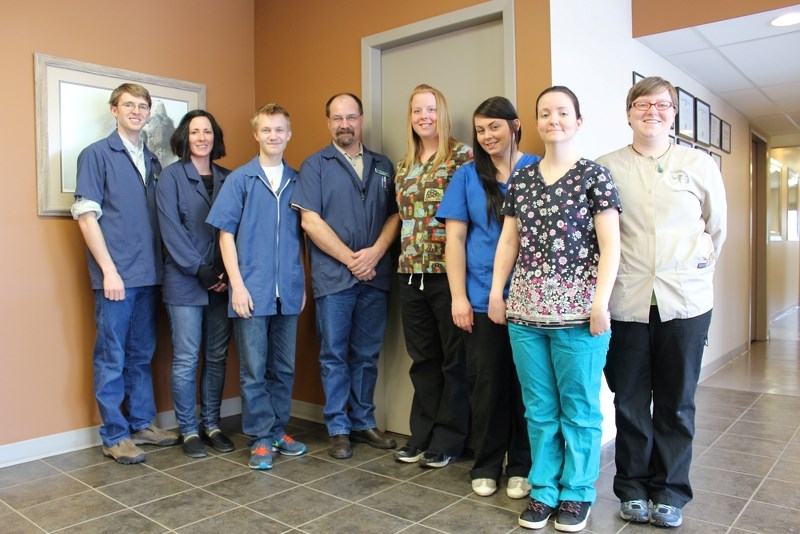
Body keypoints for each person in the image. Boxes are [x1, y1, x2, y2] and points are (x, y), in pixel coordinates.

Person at [488, 86, 621, 532]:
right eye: (545, 113)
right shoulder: (522, 180)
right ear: (535, 123)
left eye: (563, 113)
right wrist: (496, 292)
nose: (554, 120)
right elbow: (509, 240)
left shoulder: (594, 176)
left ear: (577, 122)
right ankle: (544, 489)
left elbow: (610, 246)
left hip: (580, 316)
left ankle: (577, 492)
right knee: (539, 407)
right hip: (526, 314)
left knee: (580, 408)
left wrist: (601, 302)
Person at [597, 76, 727, 528]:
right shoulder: (605, 166)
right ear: (628, 111)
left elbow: (717, 228)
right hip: (626, 301)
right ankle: (632, 487)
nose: (653, 111)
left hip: (685, 303)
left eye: (663, 105)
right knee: (630, 400)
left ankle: (670, 491)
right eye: (642, 104)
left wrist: (693, 268)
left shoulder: (698, 163)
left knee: (676, 402)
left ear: (674, 113)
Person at [72, 83, 178, 464]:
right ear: (114, 110)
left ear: (149, 113)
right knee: (111, 356)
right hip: (116, 278)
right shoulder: (96, 155)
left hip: (149, 275)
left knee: (141, 354)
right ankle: (114, 435)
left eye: (142, 106)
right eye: (128, 105)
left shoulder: (152, 161)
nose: (136, 111)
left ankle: (141, 424)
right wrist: (109, 272)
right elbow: (86, 218)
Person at [436, 96, 537, 497]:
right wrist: (458, 297)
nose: (487, 136)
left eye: (494, 126)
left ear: (514, 125)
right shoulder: (466, 177)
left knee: (529, 386)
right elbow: (455, 239)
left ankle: (524, 465)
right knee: (487, 385)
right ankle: (488, 463)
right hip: (479, 298)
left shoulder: (537, 170)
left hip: (530, 298)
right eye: (480, 130)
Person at [291, 93, 399, 460]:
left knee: (367, 354)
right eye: (337, 118)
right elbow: (310, 221)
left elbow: (395, 216)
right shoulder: (315, 165)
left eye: (351, 117)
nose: (344, 125)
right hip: (334, 278)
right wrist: (352, 260)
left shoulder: (383, 165)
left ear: (361, 119)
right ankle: (338, 427)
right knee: (334, 354)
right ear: (328, 122)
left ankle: (363, 421)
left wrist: (376, 254)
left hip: (375, 276)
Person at [206, 104, 308, 470]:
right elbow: (225, 234)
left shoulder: (299, 181)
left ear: (289, 134)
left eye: (280, 130)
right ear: (256, 134)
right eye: (266, 130)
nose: (273, 136)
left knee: (283, 368)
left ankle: (279, 430)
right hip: (251, 290)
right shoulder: (241, 180)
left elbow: (304, 239)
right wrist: (237, 285)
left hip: (289, 292)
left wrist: (302, 282)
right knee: (253, 370)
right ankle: (261, 438)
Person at [393, 84, 472, 469]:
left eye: (430, 109)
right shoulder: (403, 164)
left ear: (442, 112)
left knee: (453, 361)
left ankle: (449, 438)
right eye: (416, 110)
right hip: (410, 272)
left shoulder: (462, 157)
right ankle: (420, 434)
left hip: (447, 273)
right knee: (422, 359)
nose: (424, 116)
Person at [156, 110, 235, 458]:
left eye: (207, 132)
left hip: (222, 281)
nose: (201, 137)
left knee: (217, 357)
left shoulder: (228, 178)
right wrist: (201, 270)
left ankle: (212, 424)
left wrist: (224, 274)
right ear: (184, 138)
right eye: (194, 132)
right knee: (187, 358)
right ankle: (189, 429)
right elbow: (170, 230)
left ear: (215, 137)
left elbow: (234, 229)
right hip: (185, 281)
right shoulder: (171, 177)